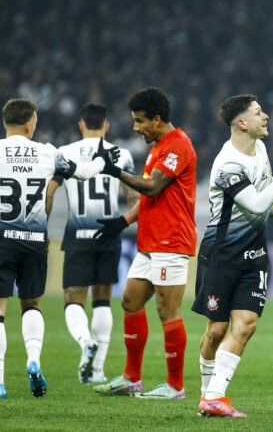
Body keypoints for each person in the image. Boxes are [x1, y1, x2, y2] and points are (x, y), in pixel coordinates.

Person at [192, 94, 273, 417]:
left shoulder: (261, 150)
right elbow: (254, 204)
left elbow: (267, 197)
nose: (266, 116)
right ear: (242, 123)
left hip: (254, 255)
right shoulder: (227, 164)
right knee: (215, 331)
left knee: (247, 324)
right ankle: (207, 393)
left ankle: (214, 396)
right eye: (258, 113)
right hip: (221, 254)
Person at [0, 98, 118, 398]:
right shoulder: (47, 153)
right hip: (35, 242)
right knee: (32, 305)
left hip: (2, 240)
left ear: (6, 123)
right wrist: (104, 160)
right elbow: (85, 172)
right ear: (29, 124)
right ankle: (33, 360)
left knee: (0, 312)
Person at [93, 87, 197, 399]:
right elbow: (152, 196)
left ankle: (175, 386)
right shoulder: (158, 147)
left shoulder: (178, 145)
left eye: (140, 122)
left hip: (171, 240)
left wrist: (115, 172)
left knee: (168, 311)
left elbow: (152, 187)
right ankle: (131, 377)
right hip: (150, 241)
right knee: (130, 301)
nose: (136, 128)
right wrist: (122, 222)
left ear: (157, 119)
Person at [46, 103, 139, 385]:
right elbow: (134, 197)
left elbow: (50, 191)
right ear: (107, 126)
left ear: (81, 124)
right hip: (109, 235)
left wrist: (43, 226)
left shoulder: (65, 152)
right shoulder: (121, 154)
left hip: (77, 234)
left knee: (73, 299)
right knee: (102, 302)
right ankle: (97, 371)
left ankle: (86, 341)